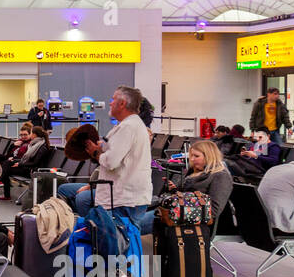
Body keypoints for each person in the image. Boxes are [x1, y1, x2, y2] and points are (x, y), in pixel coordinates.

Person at [72, 86, 155, 234]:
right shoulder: (130, 125)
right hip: (124, 198)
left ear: (122, 103)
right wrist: (103, 146)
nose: (110, 103)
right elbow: (118, 152)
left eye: (113, 100)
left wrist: (95, 152)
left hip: (124, 200)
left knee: (120, 244)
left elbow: (111, 162)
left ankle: (156, 219)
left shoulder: (128, 127)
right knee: (122, 243)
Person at [168, 140, 233, 225]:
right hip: (180, 213)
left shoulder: (220, 176)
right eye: (191, 155)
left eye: (196, 156)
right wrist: (174, 190)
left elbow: (214, 210)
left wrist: (178, 212)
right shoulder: (195, 170)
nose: (192, 159)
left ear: (209, 156)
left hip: (192, 222)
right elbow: (186, 196)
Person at [0, 126, 50, 200]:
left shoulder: (41, 147)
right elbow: (27, 159)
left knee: (6, 170)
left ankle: (1, 183)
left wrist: (20, 164)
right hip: (27, 167)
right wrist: (16, 160)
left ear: (35, 135)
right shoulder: (35, 145)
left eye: (31, 133)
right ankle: (1, 184)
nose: (30, 135)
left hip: (32, 171)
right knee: (7, 163)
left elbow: (35, 163)